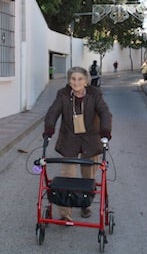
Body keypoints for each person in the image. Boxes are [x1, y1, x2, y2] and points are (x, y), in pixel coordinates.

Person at [42, 66, 112, 222]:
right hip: (69, 140)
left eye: (80, 79)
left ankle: (84, 204)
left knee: (88, 178)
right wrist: (49, 128)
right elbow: (53, 112)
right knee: (67, 177)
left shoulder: (95, 94)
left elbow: (104, 112)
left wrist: (105, 131)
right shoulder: (63, 94)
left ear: (86, 81)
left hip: (90, 140)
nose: (76, 82)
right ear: (69, 81)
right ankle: (64, 214)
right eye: (73, 79)